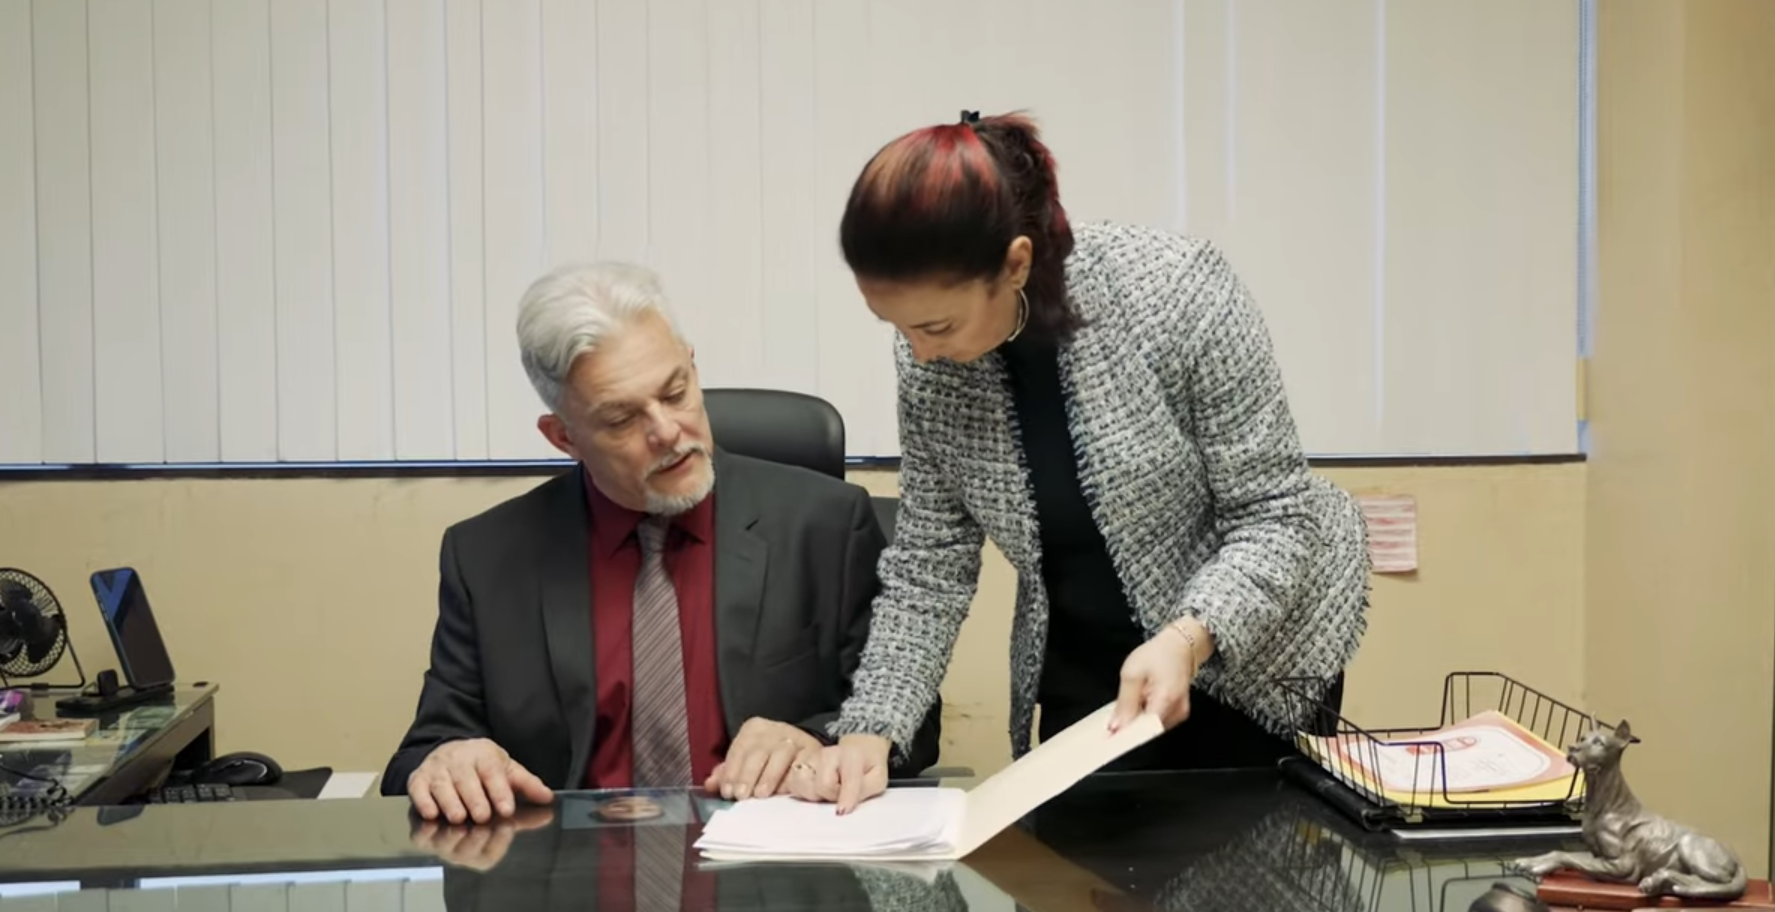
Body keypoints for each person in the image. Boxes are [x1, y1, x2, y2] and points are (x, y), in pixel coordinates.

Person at [790, 111, 1370, 811]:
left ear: (1015, 261)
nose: (917, 352)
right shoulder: (931, 365)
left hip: (1246, 658)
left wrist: (1187, 640)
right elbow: (928, 566)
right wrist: (871, 729)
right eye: (896, 327)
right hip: (1088, 666)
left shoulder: (1177, 293)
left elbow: (1276, 515)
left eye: (935, 326)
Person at [382, 262, 940, 823]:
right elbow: (425, 751)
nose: (668, 432)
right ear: (564, 437)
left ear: (692, 367)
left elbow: (917, 723)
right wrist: (447, 760)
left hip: (769, 871)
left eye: (675, 392)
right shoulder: (488, 558)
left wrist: (812, 737)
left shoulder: (825, 525)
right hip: (570, 878)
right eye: (623, 419)